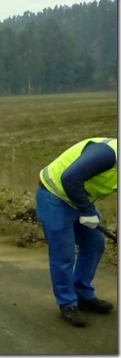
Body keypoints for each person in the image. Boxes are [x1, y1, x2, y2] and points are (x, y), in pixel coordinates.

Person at [35, 137, 117, 327]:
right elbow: (69, 178)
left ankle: (83, 294)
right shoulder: (108, 154)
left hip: (78, 198)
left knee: (95, 245)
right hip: (54, 195)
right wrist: (88, 211)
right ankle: (67, 303)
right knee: (64, 253)